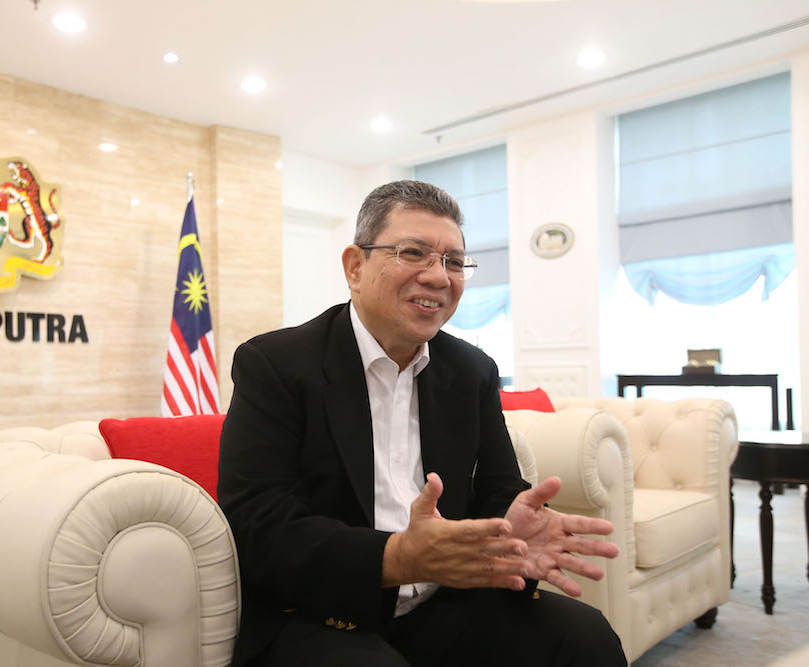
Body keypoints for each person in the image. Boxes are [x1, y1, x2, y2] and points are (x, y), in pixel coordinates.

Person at [217, 180, 627, 666]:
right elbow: (259, 524)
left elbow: (499, 487)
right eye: (414, 253)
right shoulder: (277, 364)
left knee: (584, 636)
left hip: (444, 601)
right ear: (355, 266)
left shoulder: (471, 370)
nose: (438, 277)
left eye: (454, 262)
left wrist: (508, 529)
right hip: (321, 612)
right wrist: (397, 557)